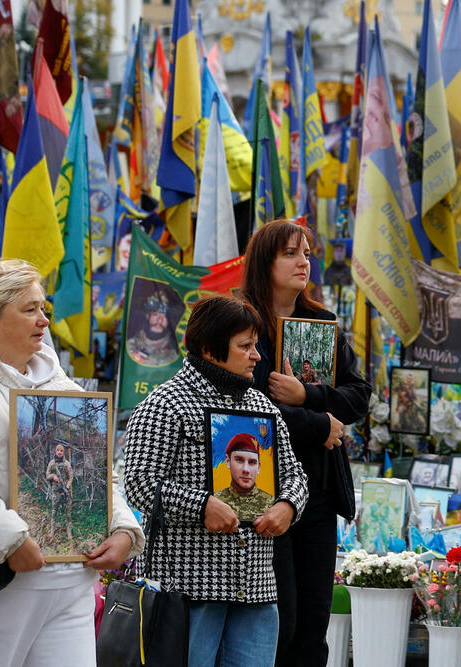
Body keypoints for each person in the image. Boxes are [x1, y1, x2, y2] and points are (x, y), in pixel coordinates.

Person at [0, 259, 145, 667]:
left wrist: (122, 529)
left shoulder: (62, 385)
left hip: (71, 583)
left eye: (43, 308)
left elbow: (98, 472)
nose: (44, 320)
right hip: (2, 581)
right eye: (30, 309)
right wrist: (12, 540)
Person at [124, 296, 309, 667]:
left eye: (254, 345)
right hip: (188, 590)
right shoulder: (166, 404)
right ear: (209, 349)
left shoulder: (260, 405)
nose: (256, 355)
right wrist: (202, 506)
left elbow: (294, 475)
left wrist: (288, 506)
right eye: (245, 346)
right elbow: (139, 482)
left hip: (255, 587)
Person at [240, 219, 371, 666]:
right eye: (290, 253)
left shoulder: (321, 322)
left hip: (318, 490)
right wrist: (319, 424)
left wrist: (308, 396)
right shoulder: (241, 322)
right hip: (260, 492)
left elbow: (359, 396)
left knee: (314, 623)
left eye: (307, 254)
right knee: (279, 620)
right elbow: (244, 408)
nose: (303, 263)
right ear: (265, 261)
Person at [214, 433, 275, 521]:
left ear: (258, 467)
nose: (246, 469)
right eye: (239, 460)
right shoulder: (214, 502)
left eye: (252, 462)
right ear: (228, 461)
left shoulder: (273, 505)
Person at [127, 290, 179, 367]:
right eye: (155, 314)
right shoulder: (131, 345)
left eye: (165, 316)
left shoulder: (175, 350)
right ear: (148, 316)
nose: (159, 320)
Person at [45, 444, 73, 541]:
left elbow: (71, 478)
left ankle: (69, 532)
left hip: (65, 491)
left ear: (63, 452)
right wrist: (53, 476)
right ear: (56, 451)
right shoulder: (52, 463)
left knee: (67, 513)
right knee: (54, 512)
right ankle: (52, 530)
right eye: (58, 450)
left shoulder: (67, 464)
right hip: (56, 492)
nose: (59, 452)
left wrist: (67, 488)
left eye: (61, 450)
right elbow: (47, 475)